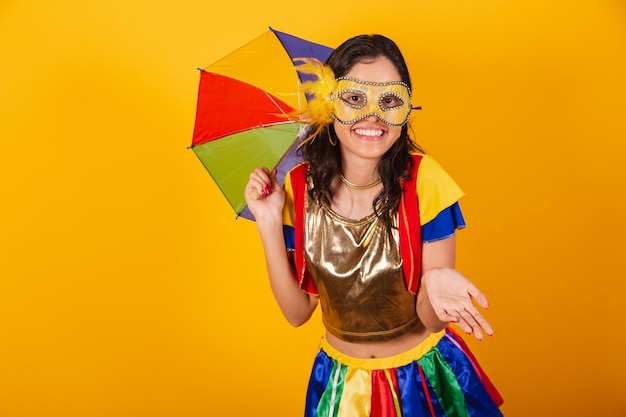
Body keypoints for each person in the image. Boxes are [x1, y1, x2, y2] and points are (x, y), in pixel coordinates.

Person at [244, 34, 504, 417]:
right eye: (354, 98)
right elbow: (298, 313)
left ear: (405, 109)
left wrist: (437, 280)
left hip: (423, 379)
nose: (373, 117)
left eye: (389, 101)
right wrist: (267, 221)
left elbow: (430, 322)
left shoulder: (425, 181)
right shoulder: (299, 187)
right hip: (339, 382)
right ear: (329, 107)